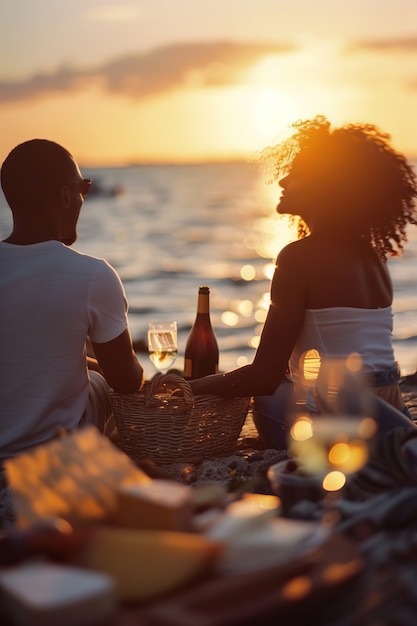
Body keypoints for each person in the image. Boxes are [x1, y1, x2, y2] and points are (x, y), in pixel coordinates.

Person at [189, 116, 417, 448]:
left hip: (342, 422)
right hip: (391, 410)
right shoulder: (372, 257)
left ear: (325, 184)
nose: (283, 180)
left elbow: (263, 377)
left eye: (297, 173)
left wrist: (192, 386)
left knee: (262, 399)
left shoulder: (298, 257)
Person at [0, 139, 144, 460]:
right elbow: (126, 381)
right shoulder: (92, 275)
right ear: (65, 196)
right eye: (83, 189)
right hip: (54, 455)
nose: (83, 199)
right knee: (100, 384)